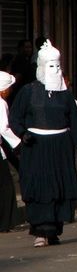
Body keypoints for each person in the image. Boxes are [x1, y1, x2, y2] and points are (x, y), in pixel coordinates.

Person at [9, 40, 77, 247]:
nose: (55, 69)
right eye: (50, 66)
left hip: (60, 147)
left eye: (57, 66)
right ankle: (40, 230)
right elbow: (15, 117)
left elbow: (75, 121)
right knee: (40, 187)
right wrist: (22, 134)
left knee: (59, 188)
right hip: (36, 147)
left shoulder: (65, 94)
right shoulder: (28, 92)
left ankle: (53, 230)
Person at [0, 72, 20, 232]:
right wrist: (19, 143)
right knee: (6, 186)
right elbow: (4, 128)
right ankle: (5, 222)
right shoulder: (1, 103)